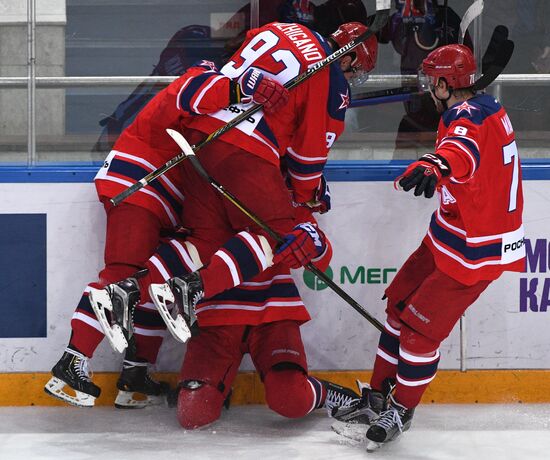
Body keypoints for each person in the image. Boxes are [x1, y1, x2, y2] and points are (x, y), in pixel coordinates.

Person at [92, 21, 378, 429]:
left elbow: (318, 244)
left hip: (270, 309)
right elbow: (309, 157)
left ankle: (330, 393)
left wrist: (309, 238)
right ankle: (181, 299)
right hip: (218, 315)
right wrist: (301, 187)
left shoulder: (281, 32)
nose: (350, 78)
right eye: (353, 70)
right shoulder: (270, 165)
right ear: (347, 58)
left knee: (290, 398)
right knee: (193, 414)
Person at [44, 59, 289, 408]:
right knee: (122, 276)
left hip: (164, 198)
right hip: (139, 186)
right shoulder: (199, 80)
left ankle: (135, 372)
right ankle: (73, 359)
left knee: (149, 280)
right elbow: (194, 90)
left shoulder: (214, 105)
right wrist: (239, 86)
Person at [331, 44, 526, 451]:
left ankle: (401, 409)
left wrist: (435, 165)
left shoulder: (464, 121)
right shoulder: (482, 106)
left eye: (430, 80)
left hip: (475, 251)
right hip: (449, 235)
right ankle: (380, 394)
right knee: (399, 305)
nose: (425, 87)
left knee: (419, 333)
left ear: (443, 83)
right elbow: (467, 132)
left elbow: (462, 150)